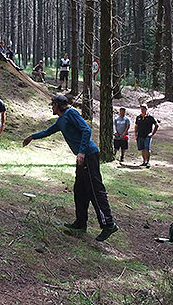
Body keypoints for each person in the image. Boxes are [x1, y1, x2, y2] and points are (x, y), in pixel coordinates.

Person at [22, 95, 118, 242]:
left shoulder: (71, 113)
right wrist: (32, 137)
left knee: (94, 189)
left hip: (89, 155)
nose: (51, 107)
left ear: (58, 105)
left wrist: (81, 151)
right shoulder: (61, 120)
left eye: (53, 105)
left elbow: (86, 129)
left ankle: (108, 224)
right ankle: (80, 223)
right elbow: (48, 131)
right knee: (80, 190)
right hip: (83, 157)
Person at [134, 104, 158, 168]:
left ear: (146, 109)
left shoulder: (150, 117)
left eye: (143, 109)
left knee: (147, 148)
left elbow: (156, 125)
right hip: (140, 135)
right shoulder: (138, 117)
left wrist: (152, 133)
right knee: (142, 149)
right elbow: (136, 126)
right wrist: (136, 134)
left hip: (147, 135)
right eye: (141, 109)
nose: (142, 110)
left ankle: (148, 162)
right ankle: (144, 161)